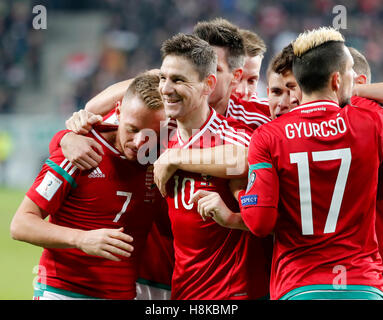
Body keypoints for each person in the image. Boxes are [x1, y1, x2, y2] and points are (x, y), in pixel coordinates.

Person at [238, 27, 383, 299]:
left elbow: (260, 223)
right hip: (363, 284)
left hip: (299, 285)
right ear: (337, 80)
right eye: (351, 72)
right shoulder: (371, 121)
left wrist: (242, 196)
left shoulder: (269, 136)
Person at [10, 73, 168, 300]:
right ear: (119, 112)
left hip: (123, 295)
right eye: (132, 129)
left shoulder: (162, 159)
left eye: (151, 135)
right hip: (62, 292)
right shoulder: (81, 149)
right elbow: (21, 224)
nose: (139, 142)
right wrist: (81, 239)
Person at [159, 32, 270, 300]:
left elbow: (245, 159)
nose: (165, 88)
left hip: (231, 294)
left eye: (178, 80)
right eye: (163, 78)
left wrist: (176, 158)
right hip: (182, 292)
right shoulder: (163, 135)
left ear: (208, 84)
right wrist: (68, 135)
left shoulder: (233, 135)